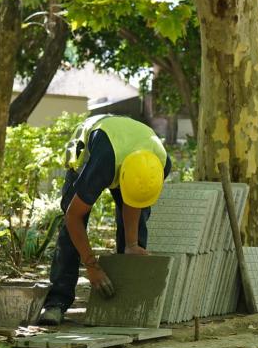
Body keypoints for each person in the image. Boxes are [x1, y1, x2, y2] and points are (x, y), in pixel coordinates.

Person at [38, 115, 172, 325]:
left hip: (131, 153)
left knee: (137, 228)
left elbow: (135, 201)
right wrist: (92, 266)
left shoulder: (161, 164)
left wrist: (132, 244)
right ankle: (57, 302)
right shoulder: (103, 163)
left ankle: (126, 304)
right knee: (71, 230)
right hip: (96, 146)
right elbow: (74, 216)